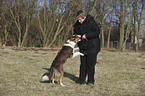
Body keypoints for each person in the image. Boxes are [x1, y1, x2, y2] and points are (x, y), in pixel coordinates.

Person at [73, 10, 101, 86]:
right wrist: (76, 36)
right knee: (83, 65)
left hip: (92, 47)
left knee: (90, 65)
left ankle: (90, 81)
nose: (79, 21)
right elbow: (75, 31)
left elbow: (97, 32)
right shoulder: (77, 24)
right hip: (83, 46)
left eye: (80, 19)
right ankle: (81, 80)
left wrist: (87, 35)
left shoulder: (91, 22)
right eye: (78, 19)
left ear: (84, 17)